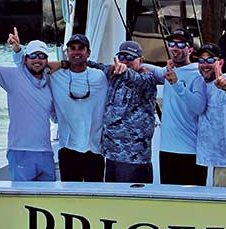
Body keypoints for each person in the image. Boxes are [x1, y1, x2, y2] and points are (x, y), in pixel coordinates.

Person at [0, 28, 56, 182]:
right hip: (20, 151)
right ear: (26, 59)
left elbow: (56, 116)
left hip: (46, 152)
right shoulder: (13, 77)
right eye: (33, 56)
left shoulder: (50, 82)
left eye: (41, 56)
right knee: (22, 200)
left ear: (47, 60)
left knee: (48, 200)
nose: (37, 60)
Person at [181, 43, 226, 188]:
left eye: (210, 60)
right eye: (201, 61)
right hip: (217, 164)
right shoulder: (199, 84)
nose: (205, 64)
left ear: (220, 63)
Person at [97, 40, 166, 184]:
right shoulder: (113, 73)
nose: (125, 61)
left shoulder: (147, 78)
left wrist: (124, 71)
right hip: (111, 156)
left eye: (130, 58)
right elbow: (96, 66)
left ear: (141, 60)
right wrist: (63, 64)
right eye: (122, 57)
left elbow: (135, 79)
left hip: (134, 159)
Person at [45, 33, 108, 182]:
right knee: (70, 199)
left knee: (95, 197)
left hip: (95, 149)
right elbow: (32, 66)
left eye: (81, 48)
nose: (76, 52)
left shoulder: (100, 77)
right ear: (67, 52)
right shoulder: (55, 75)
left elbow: (123, 69)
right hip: (67, 149)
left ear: (88, 53)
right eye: (72, 48)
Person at [156, 28, 207, 186]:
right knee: (169, 203)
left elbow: (199, 107)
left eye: (180, 44)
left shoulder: (198, 74)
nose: (175, 47)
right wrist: (132, 63)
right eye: (172, 43)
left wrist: (176, 84)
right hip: (166, 150)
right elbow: (151, 70)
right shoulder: (168, 71)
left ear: (190, 49)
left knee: (192, 204)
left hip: (190, 152)